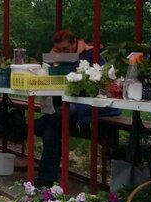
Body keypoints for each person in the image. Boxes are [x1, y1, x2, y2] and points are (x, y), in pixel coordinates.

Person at [34, 29, 120, 187]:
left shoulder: (91, 54)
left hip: (92, 104)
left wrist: (72, 59)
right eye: (59, 50)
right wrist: (54, 58)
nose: (62, 52)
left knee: (55, 118)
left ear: (75, 43)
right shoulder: (60, 57)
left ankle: (31, 128)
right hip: (69, 103)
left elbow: (99, 84)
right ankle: (45, 179)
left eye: (65, 49)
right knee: (51, 129)